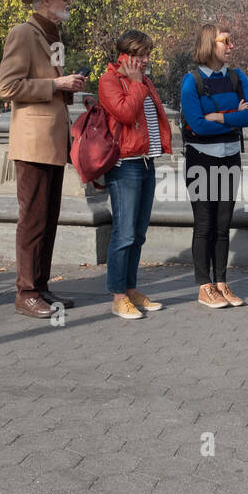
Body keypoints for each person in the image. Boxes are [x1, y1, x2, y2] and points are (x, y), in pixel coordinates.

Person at [0, 0, 87, 318]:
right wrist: (56, 84)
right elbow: (8, 87)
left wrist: (69, 88)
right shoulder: (23, 33)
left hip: (51, 142)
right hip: (33, 142)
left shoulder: (52, 36)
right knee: (33, 218)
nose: (68, 2)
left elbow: (48, 85)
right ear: (45, 1)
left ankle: (41, 286)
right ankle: (26, 292)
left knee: (48, 218)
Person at [179, 22, 248, 309]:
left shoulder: (238, 77)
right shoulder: (192, 81)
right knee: (204, 224)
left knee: (223, 224)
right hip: (201, 158)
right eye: (227, 41)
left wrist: (220, 118)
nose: (231, 46)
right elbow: (196, 125)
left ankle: (222, 283)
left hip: (230, 156)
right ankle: (204, 286)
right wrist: (232, 114)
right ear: (210, 44)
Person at [97, 30, 171, 320]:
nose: (145, 60)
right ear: (125, 55)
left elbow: (153, 117)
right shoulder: (109, 80)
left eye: (147, 55)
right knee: (124, 232)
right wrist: (138, 85)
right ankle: (117, 296)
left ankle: (130, 289)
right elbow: (126, 113)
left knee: (138, 233)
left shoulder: (143, 81)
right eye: (140, 55)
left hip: (145, 162)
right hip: (124, 165)